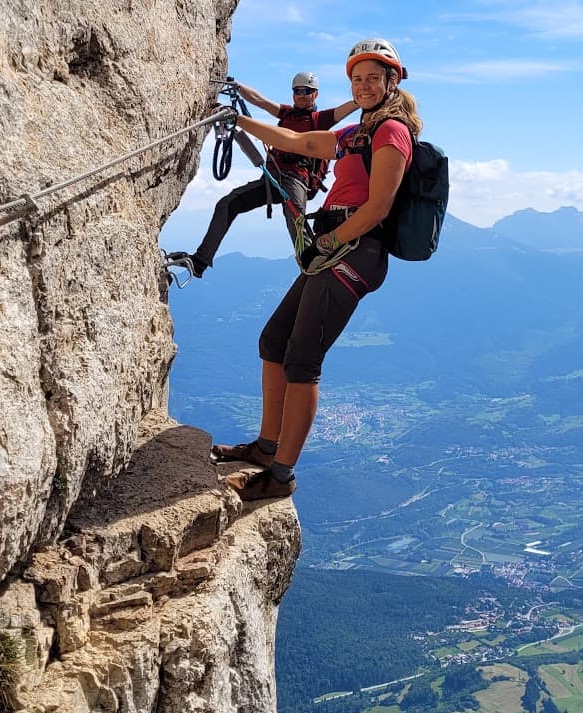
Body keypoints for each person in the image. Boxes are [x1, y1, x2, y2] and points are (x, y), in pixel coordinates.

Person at [210, 39, 421, 503]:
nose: (363, 86)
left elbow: (379, 206)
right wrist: (237, 120)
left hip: (354, 251)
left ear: (391, 82)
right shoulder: (354, 135)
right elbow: (299, 140)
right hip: (334, 247)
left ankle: (280, 476)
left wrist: (328, 241)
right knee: (274, 340)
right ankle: (267, 448)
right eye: (357, 78)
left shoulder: (392, 133)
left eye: (372, 77)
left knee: (303, 359)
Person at [165, 73, 356, 278]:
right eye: (297, 91)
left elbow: (348, 107)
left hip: (295, 181)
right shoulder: (286, 114)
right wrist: (237, 87)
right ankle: (201, 261)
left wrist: (372, 91)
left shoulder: (319, 120)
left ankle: (318, 272)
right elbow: (260, 101)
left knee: (298, 229)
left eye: (306, 91)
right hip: (271, 180)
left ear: (315, 95)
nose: (301, 95)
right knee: (228, 203)